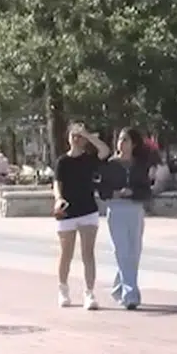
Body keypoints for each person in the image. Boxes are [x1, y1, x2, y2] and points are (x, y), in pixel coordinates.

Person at [53, 123, 110, 309]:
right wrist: (58, 198)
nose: (76, 139)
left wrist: (87, 133)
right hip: (67, 210)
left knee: (88, 253)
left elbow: (105, 150)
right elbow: (57, 183)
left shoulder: (90, 159)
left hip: (88, 210)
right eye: (73, 135)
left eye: (80, 136)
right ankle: (63, 289)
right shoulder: (62, 161)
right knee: (66, 254)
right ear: (68, 138)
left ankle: (89, 292)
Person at [98, 127, 154, 310]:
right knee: (122, 251)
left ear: (134, 144)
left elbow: (146, 190)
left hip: (135, 209)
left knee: (134, 252)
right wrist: (114, 193)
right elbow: (102, 190)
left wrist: (133, 192)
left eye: (125, 140)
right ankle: (131, 294)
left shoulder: (140, 165)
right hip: (116, 209)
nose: (121, 144)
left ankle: (118, 288)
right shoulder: (110, 165)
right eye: (120, 140)